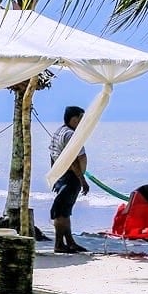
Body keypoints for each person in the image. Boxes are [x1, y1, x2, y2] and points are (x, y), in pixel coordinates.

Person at [48, 105, 90, 253]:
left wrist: (55, 177)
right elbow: (73, 160)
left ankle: (70, 242)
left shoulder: (59, 131)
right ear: (74, 119)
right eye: (81, 118)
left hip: (61, 175)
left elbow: (52, 153)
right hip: (70, 176)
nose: (83, 122)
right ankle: (59, 244)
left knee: (65, 211)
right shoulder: (71, 135)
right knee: (61, 211)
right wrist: (82, 180)